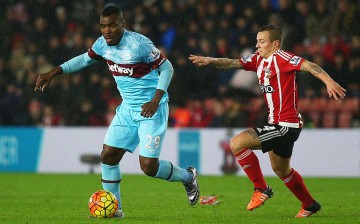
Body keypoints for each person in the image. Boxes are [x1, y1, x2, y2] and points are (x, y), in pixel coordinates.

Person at [34, 5, 200, 218]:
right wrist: (53, 72)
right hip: (127, 110)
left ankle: (188, 176)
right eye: (103, 26)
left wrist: (155, 99)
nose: (107, 30)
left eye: (112, 25)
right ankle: (114, 210)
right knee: (109, 155)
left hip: (152, 109)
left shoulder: (139, 45)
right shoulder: (102, 44)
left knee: (149, 167)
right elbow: (85, 59)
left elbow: (167, 68)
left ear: (123, 24)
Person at [189, 24, 346, 218]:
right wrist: (210, 60)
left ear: (275, 44)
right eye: (257, 41)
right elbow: (231, 63)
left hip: (285, 125)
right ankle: (309, 204)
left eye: (262, 42)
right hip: (279, 124)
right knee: (281, 169)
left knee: (237, 143)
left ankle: (261, 189)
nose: (257, 45)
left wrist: (329, 81)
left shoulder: (283, 58)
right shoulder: (257, 60)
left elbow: (310, 66)